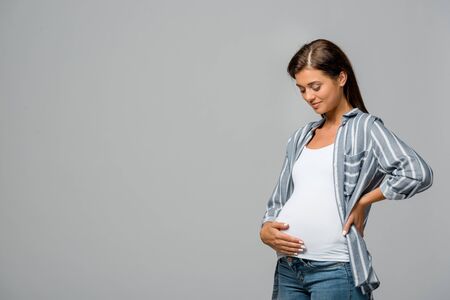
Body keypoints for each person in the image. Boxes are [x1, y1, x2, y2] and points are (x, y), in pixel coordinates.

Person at [259, 39, 434, 300]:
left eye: (315, 86)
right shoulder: (300, 136)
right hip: (289, 270)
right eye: (302, 89)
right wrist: (266, 229)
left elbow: (417, 172)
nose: (309, 96)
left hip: (334, 270)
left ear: (341, 77)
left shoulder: (366, 128)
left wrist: (364, 200)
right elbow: (280, 198)